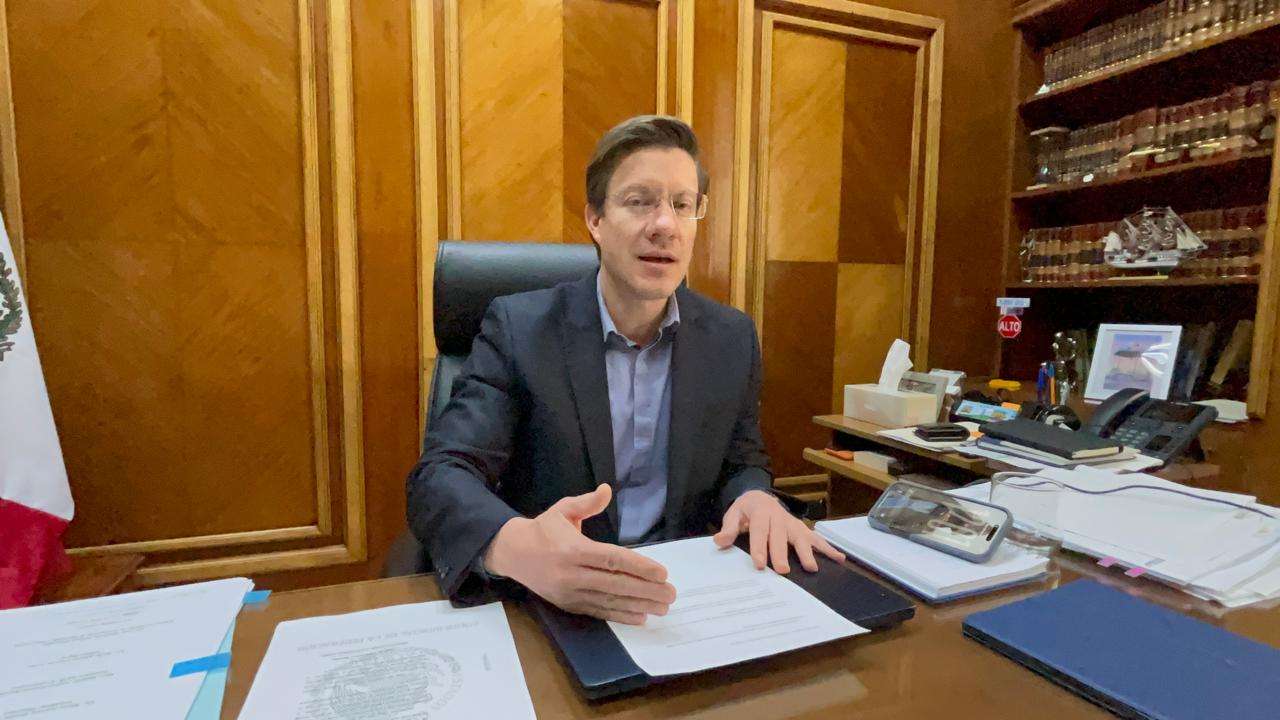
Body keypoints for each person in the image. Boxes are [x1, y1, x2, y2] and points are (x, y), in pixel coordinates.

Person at [406, 115, 843, 625]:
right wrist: (518, 547)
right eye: (639, 202)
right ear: (595, 219)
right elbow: (442, 474)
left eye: (683, 205)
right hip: (551, 599)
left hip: (681, 596)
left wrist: (755, 496)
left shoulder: (730, 338)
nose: (665, 225)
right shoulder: (520, 329)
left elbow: (740, 460)